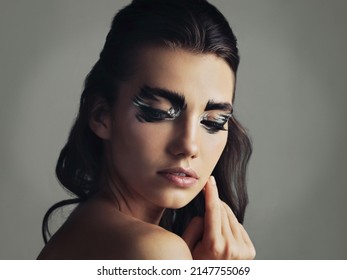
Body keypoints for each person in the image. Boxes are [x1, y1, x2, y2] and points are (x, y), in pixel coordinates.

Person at [37, 0, 255, 260]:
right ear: (101, 116)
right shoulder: (153, 250)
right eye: (159, 112)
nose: (188, 145)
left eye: (213, 121)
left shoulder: (84, 231)